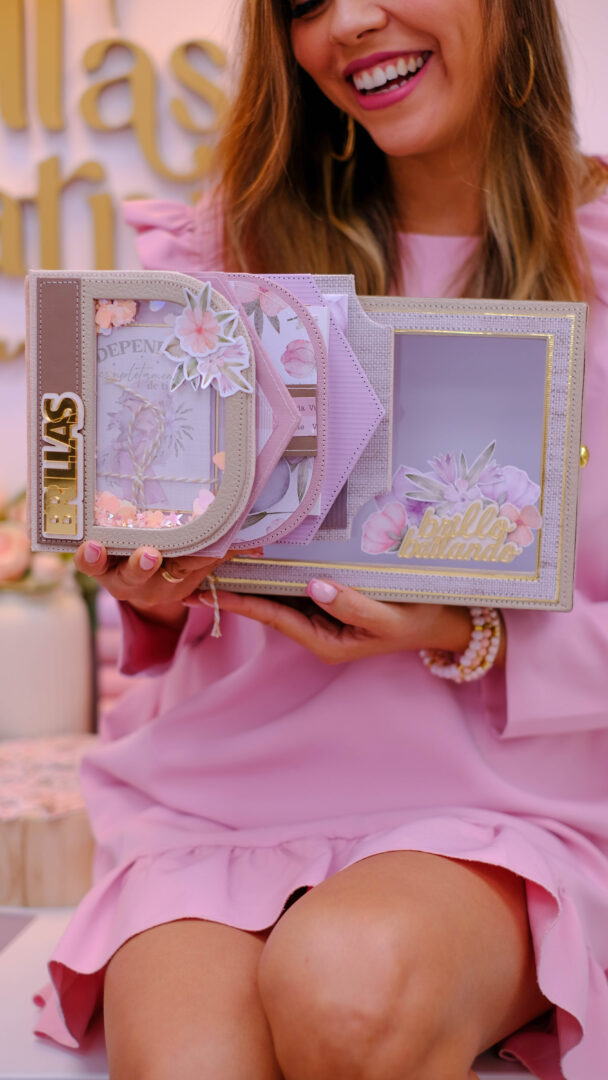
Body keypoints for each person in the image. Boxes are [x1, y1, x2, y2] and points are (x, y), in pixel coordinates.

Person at [34, 2, 608, 1079]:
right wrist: (156, 589)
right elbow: (175, 602)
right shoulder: (215, 259)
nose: (345, 21)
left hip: (501, 807)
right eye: (302, 1)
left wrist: (463, 628)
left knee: (346, 991)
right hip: (217, 800)